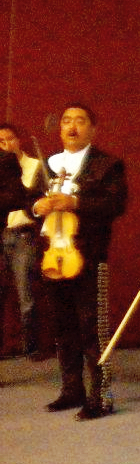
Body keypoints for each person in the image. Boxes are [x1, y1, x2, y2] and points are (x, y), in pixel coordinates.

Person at [32, 104, 127, 420]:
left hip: (90, 254)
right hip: (52, 254)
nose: (72, 126)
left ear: (93, 129)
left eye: (80, 121)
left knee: (93, 328)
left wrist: (75, 202)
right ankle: (71, 389)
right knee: (63, 326)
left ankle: (102, 396)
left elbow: (115, 204)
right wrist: (38, 206)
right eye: (66, 121)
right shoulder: (48, 164)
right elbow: (27, 198)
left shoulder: (107, 165)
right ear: (60, 128)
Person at [0, 123, 42, 359]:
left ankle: (31, 347)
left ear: (18, 140)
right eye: (1, 141)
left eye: (10, 139)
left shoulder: (34, 166)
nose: (6, 144)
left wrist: (11, 168)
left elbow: (26, 197)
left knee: (26, 295)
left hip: (23, 234)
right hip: (2, 232)